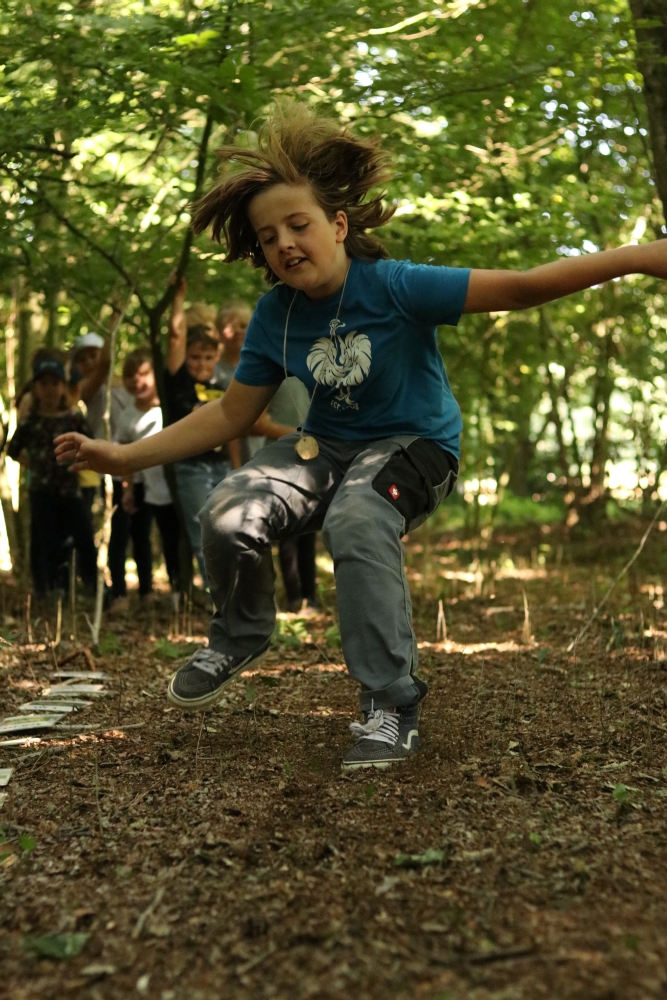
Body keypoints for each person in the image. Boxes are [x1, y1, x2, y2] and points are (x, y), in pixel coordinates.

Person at [55, 102, 667, 772]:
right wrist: (120, 455)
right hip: (326, 450)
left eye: (298, 224)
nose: (284, 242)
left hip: (415, 447)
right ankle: (241, 634)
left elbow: (520, 289)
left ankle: (389, 705)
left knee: (356, 516)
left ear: (337, 225)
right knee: (230, 508)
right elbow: (229, 415)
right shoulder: (275, 316)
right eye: (268, 236)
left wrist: (637, 259)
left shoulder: (398, 287)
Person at [165, 278, 238, 584]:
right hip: (191, 467)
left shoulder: (221, 384)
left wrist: (237, 469)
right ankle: (215, 595)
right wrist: (178, 298)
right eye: (195, 357)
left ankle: (233, 590)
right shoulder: (180, 380)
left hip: (220, 465)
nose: (201, 363)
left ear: (217, 357)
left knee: (228, 527)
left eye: (208, 357)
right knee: (202, 531)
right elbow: (176, 336)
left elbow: (232, 427)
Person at [8, 356, 97, 597]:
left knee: (83, 539)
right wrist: (35, 465)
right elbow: (12, 450)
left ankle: (91, 588)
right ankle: (49, 590)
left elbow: (91, 445)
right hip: (41, 491)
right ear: (35, 387)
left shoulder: (73, 418)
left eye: (55, 383)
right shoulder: (29, 422)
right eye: (44, 383)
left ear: (64, 387)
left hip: (70, 489)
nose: (49, 390)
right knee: (47, 542)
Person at [114, 348, 180, 599]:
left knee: (177, 537)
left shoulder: (171, 407)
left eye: (143, 374)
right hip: (148, 486)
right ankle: (151, 591)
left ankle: (183, 588)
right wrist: (127, 489)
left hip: (175, 484)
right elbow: (126, 458)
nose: (137, 381)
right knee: (148, 537)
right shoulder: (127, 417)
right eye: (130, 376)